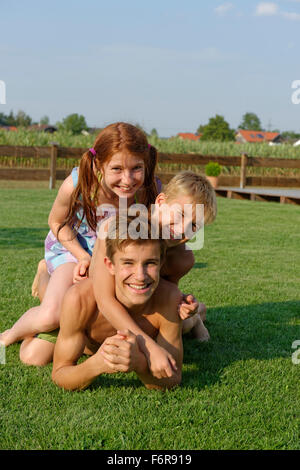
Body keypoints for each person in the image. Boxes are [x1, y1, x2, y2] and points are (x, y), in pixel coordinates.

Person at [0, 122, 159, 348]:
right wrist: (83, 256)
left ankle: (46, 275)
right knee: (51, 316)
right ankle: (11, 332)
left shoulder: (150, 189)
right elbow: (56, 222)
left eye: (136, 168)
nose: (128, 179)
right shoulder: (78, 185)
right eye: (116, 169)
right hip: (74, 249)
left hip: (112, 257)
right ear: (98, 165)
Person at [21, 215, 183, 391]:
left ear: (161, 263)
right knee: (34, 354)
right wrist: (97, 364)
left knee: (186, 320)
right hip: (74, 316)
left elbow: (173, 378)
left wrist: (141, 364)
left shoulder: (169, 299)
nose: (140, 276)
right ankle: (44, 271)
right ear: (110, 265)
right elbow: (60, 374)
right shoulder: (80, 300)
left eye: (150, 263)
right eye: (128, 263)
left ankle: (197, 318)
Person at [88, 171, 217, 376]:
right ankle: (45, 272)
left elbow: (164, 295)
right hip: (106, 291)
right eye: (180, 214)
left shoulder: (182, 259)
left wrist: (182, 306)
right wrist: (148, 345)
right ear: (161, 201)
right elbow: (103, 298)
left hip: (139, 300)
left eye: (194, 225)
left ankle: (196, 317)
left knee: (179, 325)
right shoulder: (117, 229)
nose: (182, 229)